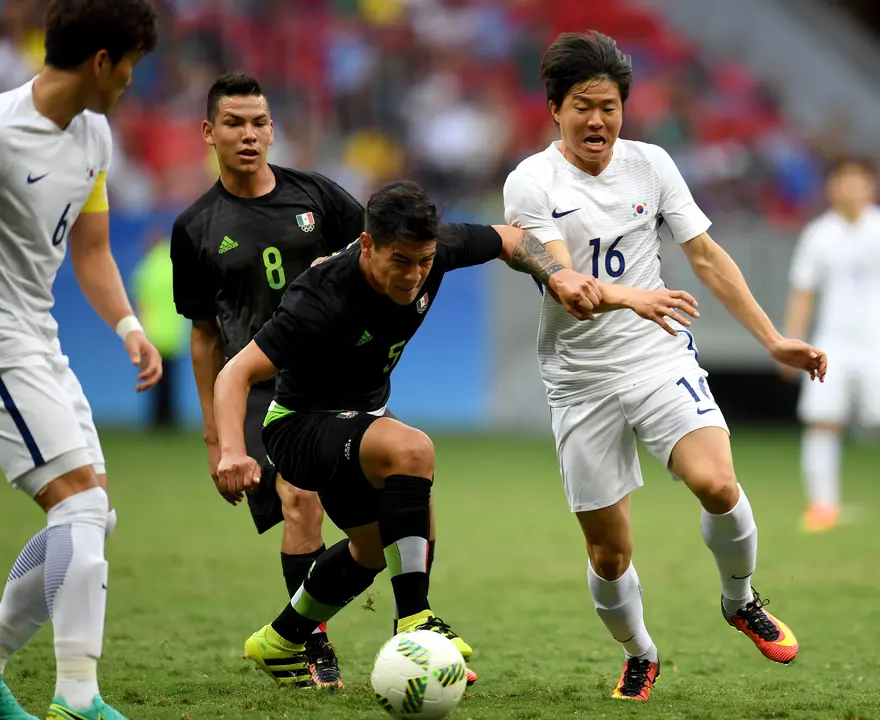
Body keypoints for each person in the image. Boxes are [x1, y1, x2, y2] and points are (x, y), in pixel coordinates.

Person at [210, 179, 692, 688]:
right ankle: (415, 624)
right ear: (368, 245)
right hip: (298, 426)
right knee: (412, 450)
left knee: (374, 550)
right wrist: (232, 453)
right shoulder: (320, 295)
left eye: (424, 261)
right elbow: (234, 373)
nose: (415, 275)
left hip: (357, 419)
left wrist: (558, 276)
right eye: (401, 261)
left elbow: (510, 238)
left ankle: (280, 639)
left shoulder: (436, 250)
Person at [503, 31, 827, 701]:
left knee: (716, 482)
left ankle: (739, 601)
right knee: (609, 553)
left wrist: (772, 338)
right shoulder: (531, 182)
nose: (598, 120)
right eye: (583, 106)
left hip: (656, 357)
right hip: (580, 379)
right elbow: (565, 280)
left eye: (611, 106)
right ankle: (640, 651)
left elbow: (705, 255)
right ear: (555, 110)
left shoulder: (651, 164)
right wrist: (634, 296)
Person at [170, 71, 366, 688]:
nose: (248, 134)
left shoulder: (319, 199)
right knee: (299, 500)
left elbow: (375, 254)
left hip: (333, 381)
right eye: (234, 123)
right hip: (255, 389)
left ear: (273, 129)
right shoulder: (195, 228)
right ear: (209, 132)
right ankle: (312, 647)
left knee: (374, 523)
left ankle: (313, 629)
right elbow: (203, 334)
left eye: (259, 123)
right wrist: (214, 432)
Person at [0, 2, 162, 720]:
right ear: (103, 60)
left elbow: (91, 249)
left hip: (41, 335)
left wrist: (128, 324)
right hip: (2, 344)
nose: (133, 79)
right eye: (131, 63)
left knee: (94, 517)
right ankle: (77, 697)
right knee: (79, 505)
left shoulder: (96, 134)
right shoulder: (3, 133)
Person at [783, 158, 880, 532]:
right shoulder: (818, 234)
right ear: (832, 187)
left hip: (876, 343)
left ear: (870, 186)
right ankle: (823, 507)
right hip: (832, 343)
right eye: (843, 181)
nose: (851, 188)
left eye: (858, 181)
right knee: (822, 422)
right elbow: (803, 292)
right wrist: (791, 342)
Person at [133, 229, 188, 429]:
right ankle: (170, 418)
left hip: (153, 334)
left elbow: (141, 303)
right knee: (171, 380)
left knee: (154, 379)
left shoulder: (145, 269)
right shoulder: (174, 266)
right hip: (173, 333)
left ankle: (157, 419)